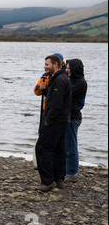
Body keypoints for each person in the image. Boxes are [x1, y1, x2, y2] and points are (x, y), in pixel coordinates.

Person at [35, 54, 72, 192]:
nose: (45, 67)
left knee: (43, 148)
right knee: (58, 149)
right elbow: (48, 95)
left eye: (47, 64)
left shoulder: (60, 80)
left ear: (55, 64)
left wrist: (48, 121)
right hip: (61, 120)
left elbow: (56, 104)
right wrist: (44, 89)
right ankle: (59, 178)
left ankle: (47, 181)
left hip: (55, 121)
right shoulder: (57, 78)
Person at [65, 59, 87, 179]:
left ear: (75, 68)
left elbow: (67, 93)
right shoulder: (71, 80)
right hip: (66, 117)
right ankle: (66, 170)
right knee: (65, 145)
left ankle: (72, 173)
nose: (67, 70)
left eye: (68, 67)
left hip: (73, 118)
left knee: (71, 146)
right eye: (66, 67)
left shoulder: (81, 83)